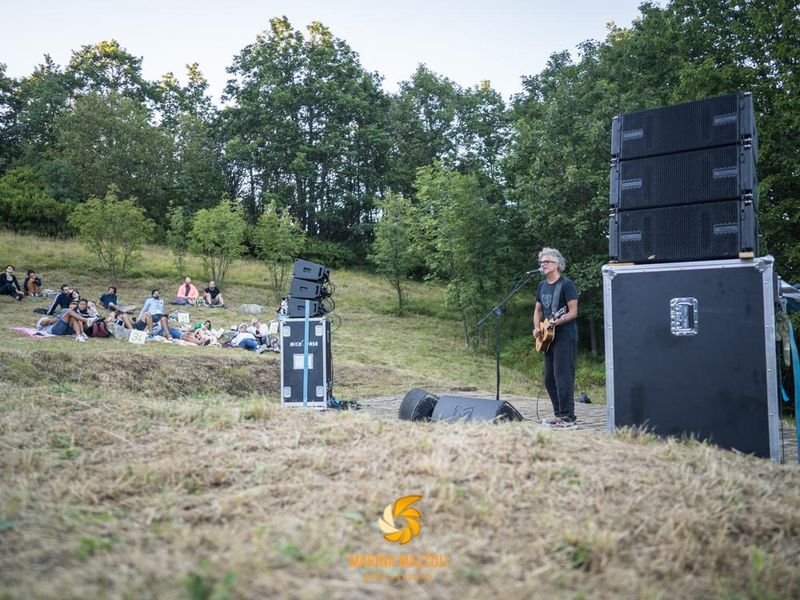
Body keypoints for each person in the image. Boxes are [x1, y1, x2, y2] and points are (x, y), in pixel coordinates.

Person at [532, 247, 579, 428]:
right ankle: (559, 414)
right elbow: (537, 310)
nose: (543, 265)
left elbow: (573, 312)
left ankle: (568, 417)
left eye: (547, 262)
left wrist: (556, 322)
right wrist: (538, 329)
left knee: (563, 376)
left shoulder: (567, 285)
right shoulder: (542, 286)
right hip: (547, 337)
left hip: (565, 337)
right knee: (549, 379)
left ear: (557, 264)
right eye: (541, 262)